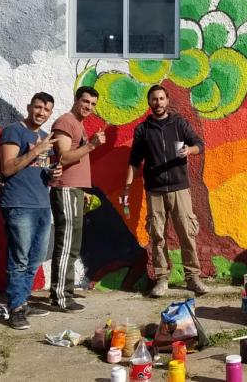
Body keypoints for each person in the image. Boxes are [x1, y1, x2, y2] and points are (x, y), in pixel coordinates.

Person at [122, 85, 209, 297]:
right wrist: (127, 187)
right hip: (155, 190)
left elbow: (199, 144)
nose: (158, 103)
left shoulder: (179, 123)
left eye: (161, 98)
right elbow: (134, 161)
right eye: (154, 99)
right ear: (149, 102)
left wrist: (190, 149)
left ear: (167, 100)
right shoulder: (142, 130)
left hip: (180, 188)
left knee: (187, 233)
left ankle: (192, 277)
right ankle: (161, 279)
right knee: (157, 235)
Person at [0, 92, 63, 330]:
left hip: (41, 204)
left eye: (46, 110)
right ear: (29, 107)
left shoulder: (45, 137)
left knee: (34, 259)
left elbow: (42, 174)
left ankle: (22, 301)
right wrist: (37, 150)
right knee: (20, 259)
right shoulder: (14, 131)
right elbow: (7, 168)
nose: (41, 113)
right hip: (18, 203)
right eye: (38, 107)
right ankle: (15, 308)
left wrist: (53, 175)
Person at [49, 86, 105, 312]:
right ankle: (60, 295)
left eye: (92, 104)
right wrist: (91, 145)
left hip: (75, 190)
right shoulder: (65, 122)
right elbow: (62, 157)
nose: (89, 107)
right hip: (66, 189)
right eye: (85, 101)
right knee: (66, 245)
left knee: (73, 243)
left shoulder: (77, 124)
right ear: (76, 99)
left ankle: (66, 292)